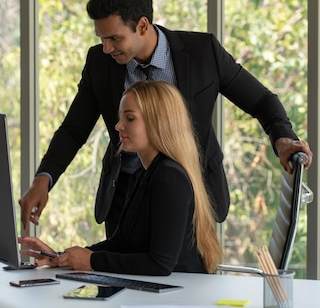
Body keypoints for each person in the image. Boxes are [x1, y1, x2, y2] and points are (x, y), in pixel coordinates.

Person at [19, 0, 313, 237]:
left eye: (114, 38)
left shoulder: (202, 53)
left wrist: (283, 140)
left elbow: (261, 100)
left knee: (190, 292)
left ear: (143, 25)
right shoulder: (100, 63)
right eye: (102, 38)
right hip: (125, 199)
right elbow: (74, 129)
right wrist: (43, 179)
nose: (107, 48)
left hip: (194, 196)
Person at [19, 81, 223, 275]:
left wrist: (90, 261)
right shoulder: (143, 174)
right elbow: (120, 244)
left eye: (130, 118)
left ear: (157, 121)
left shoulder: (169, 177)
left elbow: (160, 264)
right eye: (120, 117)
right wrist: (62, 258)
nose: (118, 126)